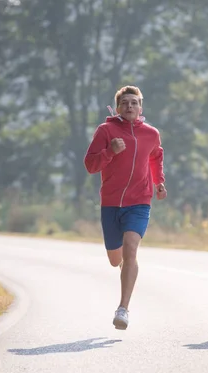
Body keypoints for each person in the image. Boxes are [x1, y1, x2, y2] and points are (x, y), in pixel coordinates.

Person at [84, 85, 167, 330]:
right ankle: (123, 266)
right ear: (117, 107)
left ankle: (123, 309)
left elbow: (155, 157)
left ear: (140, 107)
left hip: (139, 202)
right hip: (111, 203)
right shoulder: (106, 131)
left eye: (134, 102)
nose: (129, 106)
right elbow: (90, 165)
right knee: (115, 259)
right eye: (125, 103)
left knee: (131, 250)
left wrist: (159, 182)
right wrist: (110, 151)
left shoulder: (151, 133)